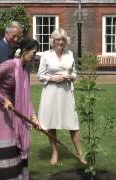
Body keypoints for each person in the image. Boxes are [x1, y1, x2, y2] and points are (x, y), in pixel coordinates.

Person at [0, 38, 40, 180]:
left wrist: (34, 117)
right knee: (4, 142)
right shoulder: (8, 65)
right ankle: (5, 176)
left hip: (10, 107)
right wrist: (3, 99)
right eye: (34, 53)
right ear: (25, 51)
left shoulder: (25, 69)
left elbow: (26, 96)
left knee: (15, 143)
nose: (35, 56)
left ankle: (17, 176)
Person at [37, 28, 87, 165]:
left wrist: (71, 77)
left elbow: (75, 72)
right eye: (58, 39)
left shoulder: (70, 54)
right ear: (53, 41)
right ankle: (55, 152)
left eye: (63, 40)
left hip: (66, 93)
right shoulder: (46, 55)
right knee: (51, 123)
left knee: (73, 123)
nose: (60, 42)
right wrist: (53, 78)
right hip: (51, 92)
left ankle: (80, 153)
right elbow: (40, 75)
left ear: (66, 41)